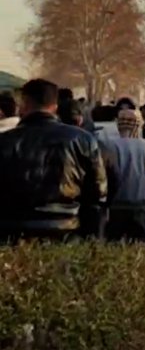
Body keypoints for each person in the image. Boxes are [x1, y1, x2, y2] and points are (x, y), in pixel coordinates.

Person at [0, 79, 107, 242]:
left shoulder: (5, 141)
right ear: (55, 105)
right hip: (67, 231)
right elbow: (99, 192)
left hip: (13, 234)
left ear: (24, 103)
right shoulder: (83, 139)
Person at [103, 109, 145, 242]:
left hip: (116, 204)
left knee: (112, 246)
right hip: (140, 204)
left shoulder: (109, 145)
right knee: (140, 247)